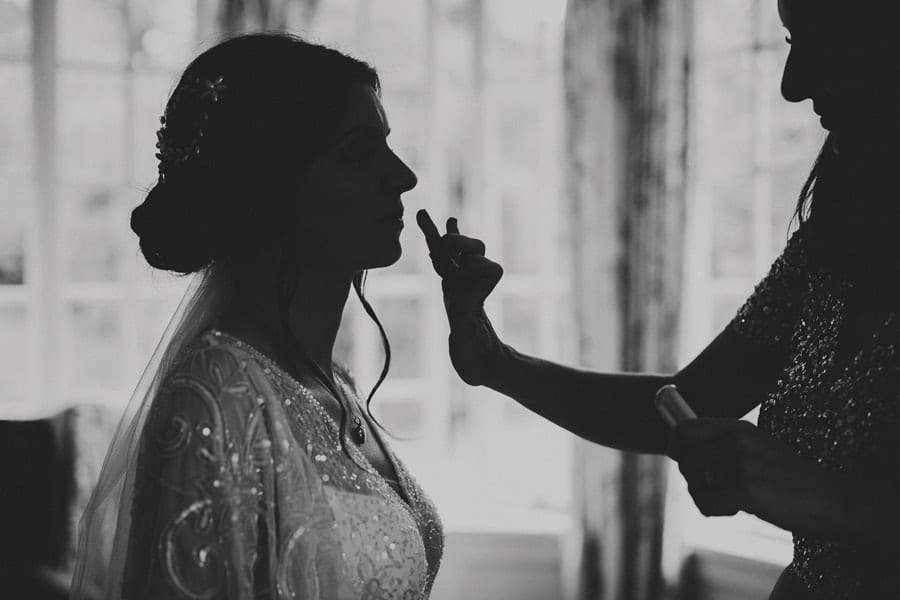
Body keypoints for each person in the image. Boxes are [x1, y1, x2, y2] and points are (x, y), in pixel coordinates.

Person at [416, 0, 900, 598]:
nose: (791, 84)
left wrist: (833, 501)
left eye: (823, 40)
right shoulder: (829, 250)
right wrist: (498, 363)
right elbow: (680, 403)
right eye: (790, 41)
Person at [72, 33, 442, 600]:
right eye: (359, 153)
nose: (403, 177)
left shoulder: (331, 382)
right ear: (273, 184)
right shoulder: (217, 394)